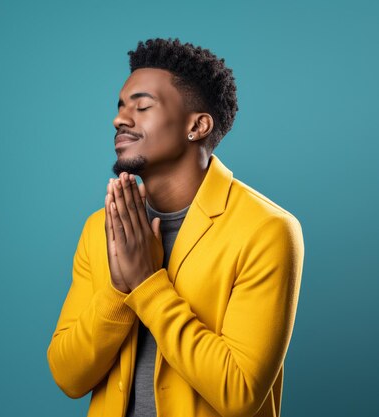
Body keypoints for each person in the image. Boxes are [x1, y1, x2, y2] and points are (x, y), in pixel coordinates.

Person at [46, 37, 305, 417]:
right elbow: (68, 376)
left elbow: (241, 394)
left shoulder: (266, 230)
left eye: (143, 106)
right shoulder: (100, 227)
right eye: (120, 107)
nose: (120, 119)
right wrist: (119, 290)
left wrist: (147, 284)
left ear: (197, 126)